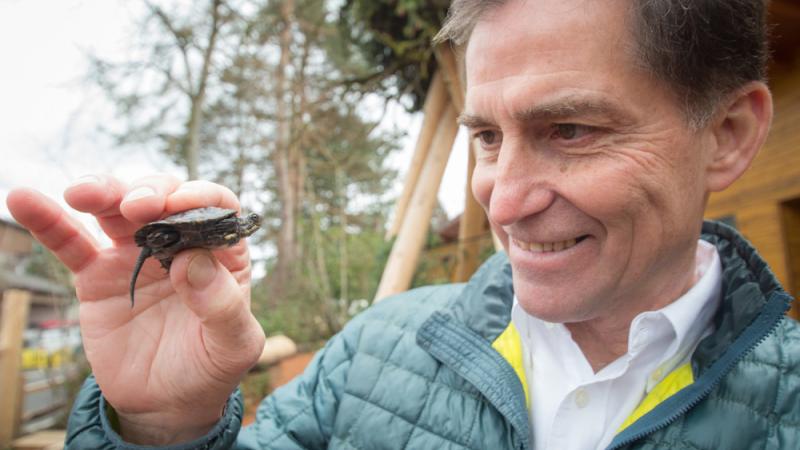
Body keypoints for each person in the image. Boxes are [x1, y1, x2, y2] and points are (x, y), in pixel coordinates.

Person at [7, 0, 799, 448]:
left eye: (572, 132)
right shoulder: (369, 356)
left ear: (727, 136)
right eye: (487, 137)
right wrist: (160, 425)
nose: (503, 197)